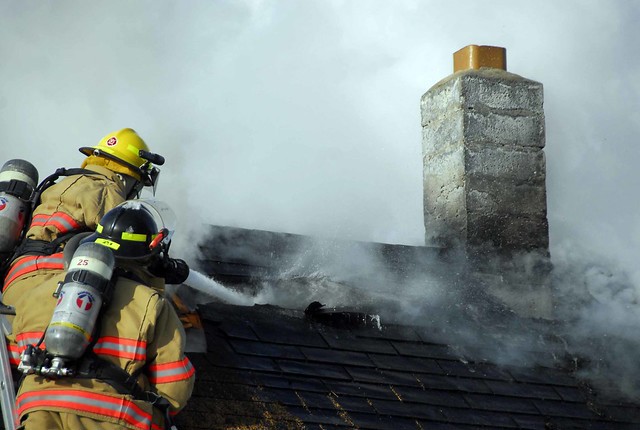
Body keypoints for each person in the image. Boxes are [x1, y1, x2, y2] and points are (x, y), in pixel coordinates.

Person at [10, 201, 195, 429]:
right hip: (114, 416)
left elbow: (12, 360)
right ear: (147, 257)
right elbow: (174, 386)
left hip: (37, 409)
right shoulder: (152, 304)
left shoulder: (37, 294)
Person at [1, 128, 187, 308]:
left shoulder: (58, 184)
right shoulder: (106, 190)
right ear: (126, 177)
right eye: (138, 184)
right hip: (57, 280)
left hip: (14, 281)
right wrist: (162, 267)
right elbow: (127, 251)